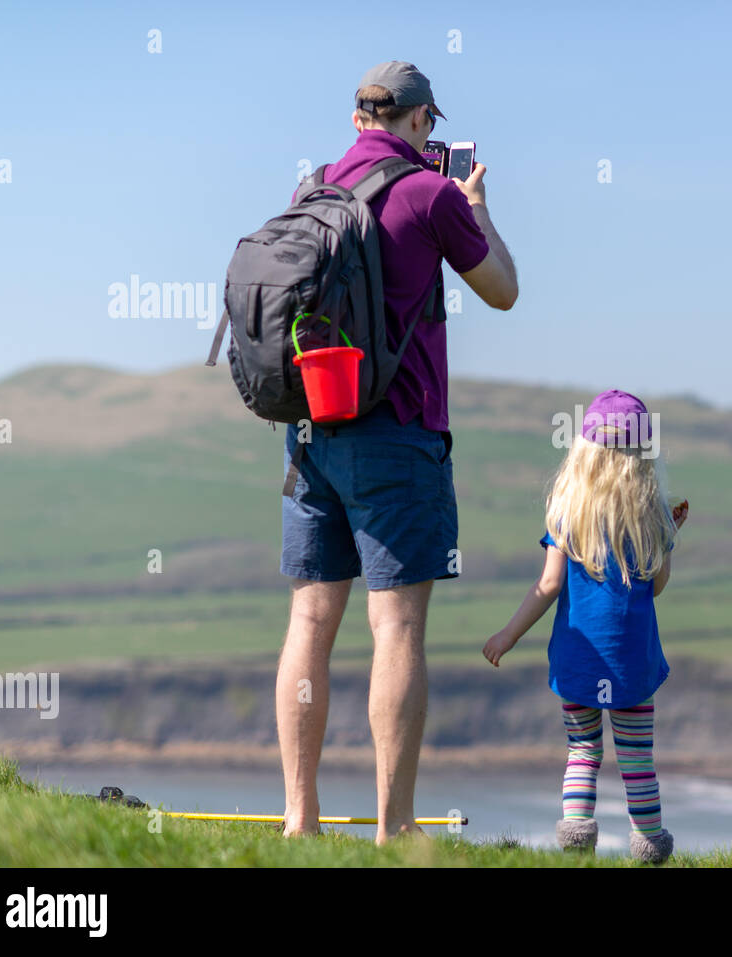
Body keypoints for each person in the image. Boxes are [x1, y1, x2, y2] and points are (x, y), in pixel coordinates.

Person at [275, 61, 519, 844]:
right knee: (398, 629)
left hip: (311, 428)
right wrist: (479, 207)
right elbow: (503, 288)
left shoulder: (309, 190)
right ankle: (395, 823)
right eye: (429, 127)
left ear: (356, 121)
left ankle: (298, 818)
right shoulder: (433, 193)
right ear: (419, 123)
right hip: (399, 430)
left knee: (310, 618)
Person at [482, 390, 689, 863]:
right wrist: (668, 538)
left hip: (579, 659)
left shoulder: (567, 511)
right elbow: (656, 587)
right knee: (637, 761)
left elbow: (549, 584)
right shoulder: (652, 517)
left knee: (582, 752)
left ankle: (577, 845)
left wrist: (508, 635)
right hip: (632, 663)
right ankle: (651, 849)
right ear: (641, 457)